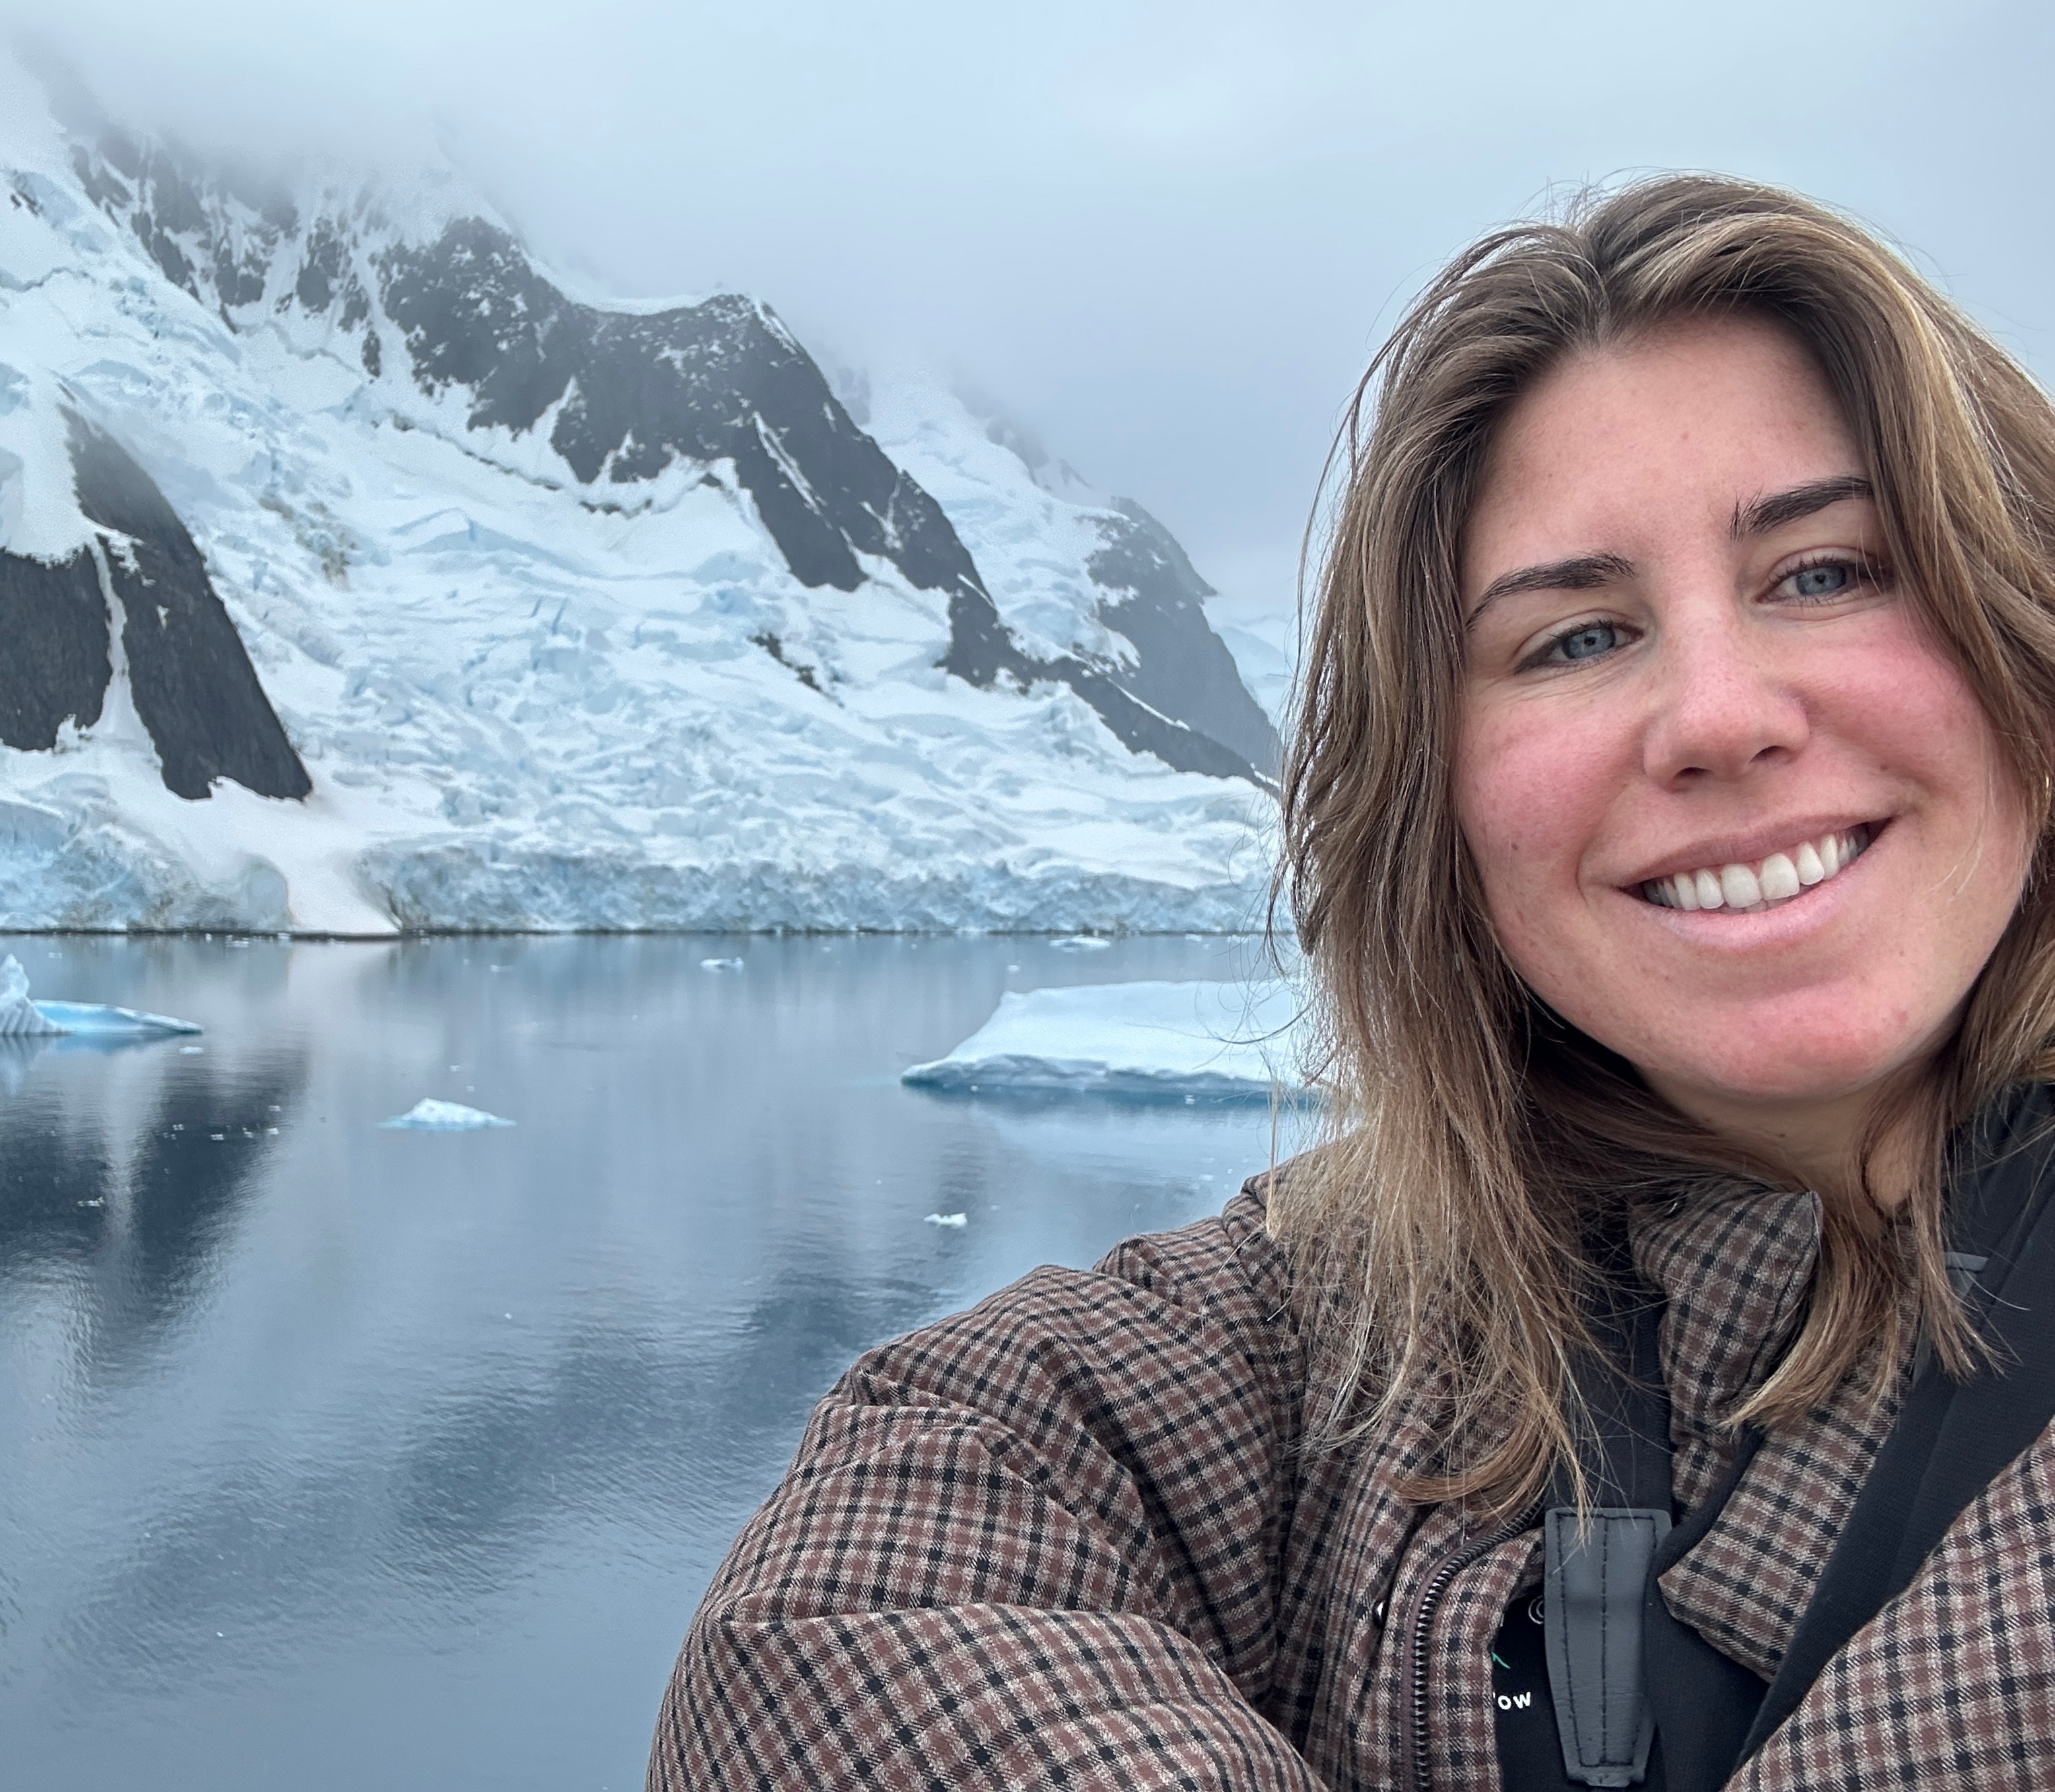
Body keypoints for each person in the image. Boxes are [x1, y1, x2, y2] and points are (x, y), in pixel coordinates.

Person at [646, 174, 2055, 1792]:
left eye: (1824, 570)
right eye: (1574, 638)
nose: (1716, 716)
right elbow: (841, 1619)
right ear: (1432, 805)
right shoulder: (1333, 1330)